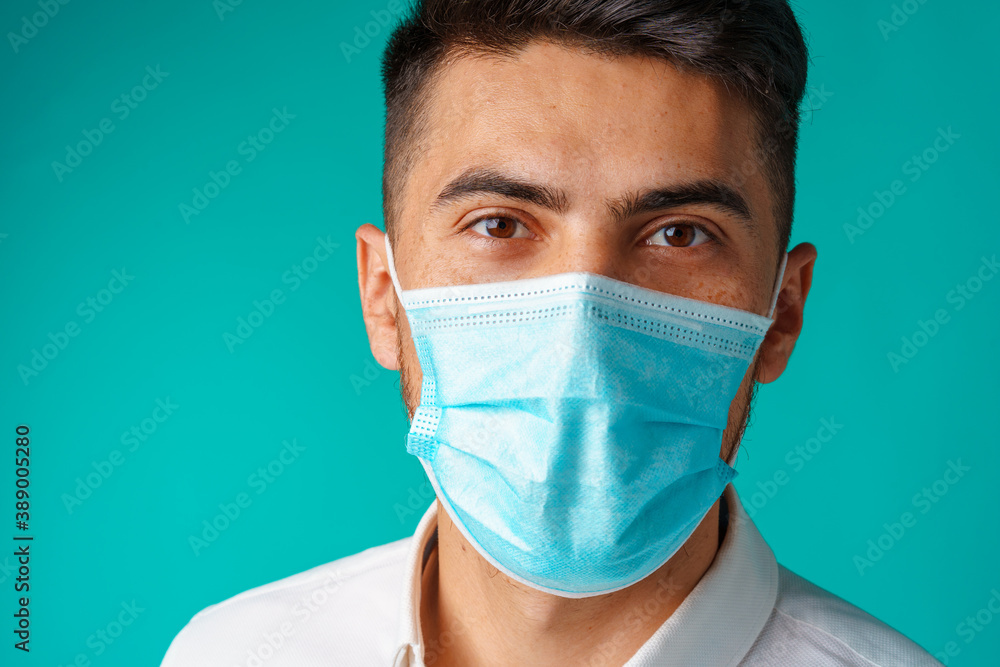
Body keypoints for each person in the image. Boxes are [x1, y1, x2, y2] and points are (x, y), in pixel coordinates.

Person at [162, 1, 942, 664]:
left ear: (783, 314)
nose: (582, 336)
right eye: (499, 223)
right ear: (382, 297)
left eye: (679, 234)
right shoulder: (231, 651)